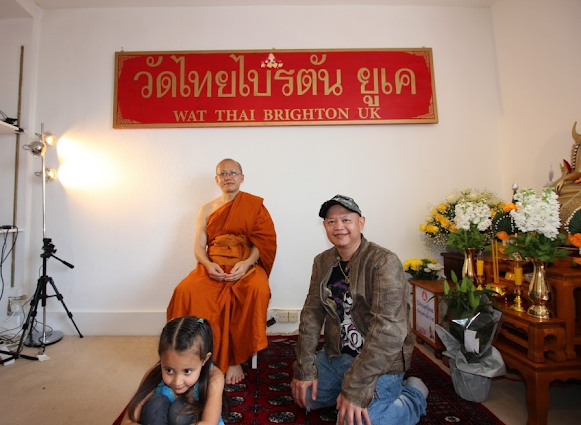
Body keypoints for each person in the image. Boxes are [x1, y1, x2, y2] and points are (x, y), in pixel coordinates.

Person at [291, 195, 428, 425]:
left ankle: (413, 396)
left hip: (379, 363)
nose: (339, 226)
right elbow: (311, 314)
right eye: (331, 221)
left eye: (346, 220)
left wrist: (356, 388)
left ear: (361, 223)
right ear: (325, 226)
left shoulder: (384, 262)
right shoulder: (322, 261)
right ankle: (354, 393)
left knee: (355, 422)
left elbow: (388, 331)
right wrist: (304, 369)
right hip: (338, 355)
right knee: (305, 397)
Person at [167, 158, 277, 385]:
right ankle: (192, 354)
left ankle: (235, 358)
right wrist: (208, 265)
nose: (228, 177)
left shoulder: (254, 206)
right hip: (213, 265)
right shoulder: (207, 209)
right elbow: (199, 246)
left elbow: (262, 243)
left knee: (258, 289)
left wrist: (247, 264)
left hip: (244, 266)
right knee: (185, 290)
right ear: (217, 179)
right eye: (223, 173)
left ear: (242, 178)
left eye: (233, 173)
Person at [121, 316, 226, 425]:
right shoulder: (153, 374)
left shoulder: (214, 378)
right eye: (169, 370)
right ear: (161, 359)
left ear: (204, 359)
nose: (177, 382)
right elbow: (127, 421)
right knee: (155, 404)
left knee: (180, 411)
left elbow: (209, 423)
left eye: (187, 371)